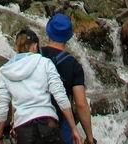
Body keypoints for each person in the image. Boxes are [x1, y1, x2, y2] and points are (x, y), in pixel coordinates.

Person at [0, 27, 82, 144]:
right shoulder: (45, 63)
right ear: (35, 46)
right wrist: (73, 128)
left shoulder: (5, 71)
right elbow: (61, 96)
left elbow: (2, 109)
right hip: (48, 123)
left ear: (16, 47)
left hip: (23, 130)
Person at [40, 13, 96, 144]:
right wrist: (89, 137)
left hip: (30, 121)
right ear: (69, 36)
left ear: (48, 31)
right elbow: (81, 104)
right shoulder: (73, 65)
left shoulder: (34, 55)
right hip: (59, 122)